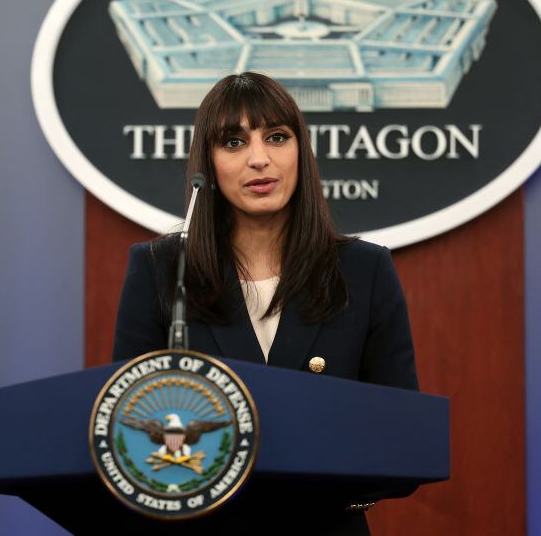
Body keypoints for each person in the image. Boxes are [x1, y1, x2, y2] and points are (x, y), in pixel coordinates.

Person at [111, 72, 419, 532]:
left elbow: (403, 437)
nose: (259, 158)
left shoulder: (363, 269)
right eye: (233, 142)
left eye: (276, 137)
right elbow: (130, 431)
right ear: (208, 162)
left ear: (301, 151)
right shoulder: (162, 270)